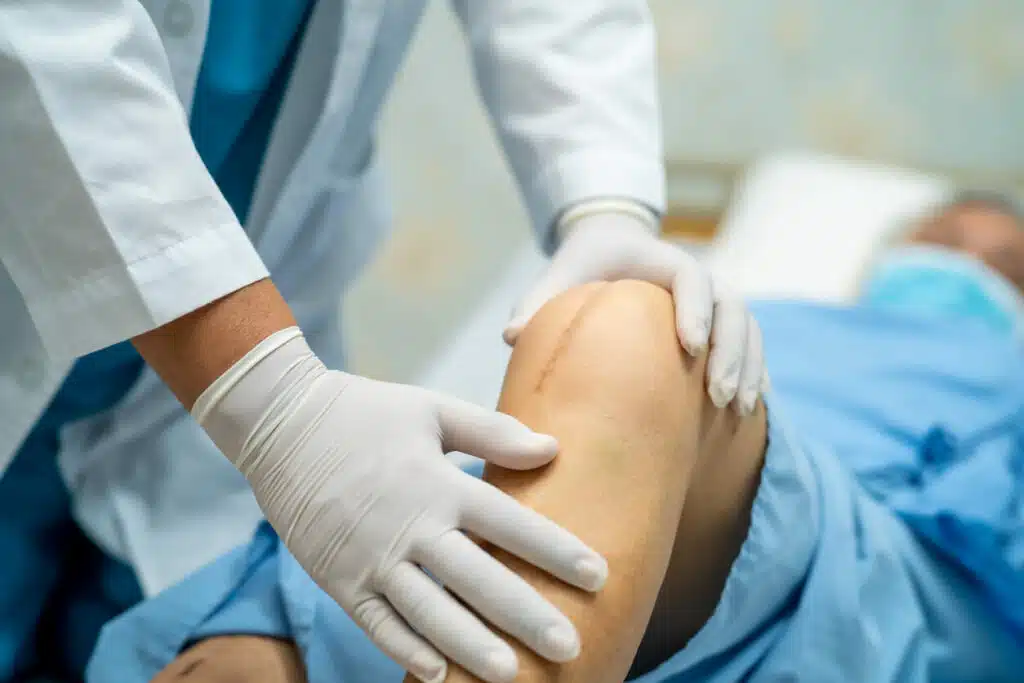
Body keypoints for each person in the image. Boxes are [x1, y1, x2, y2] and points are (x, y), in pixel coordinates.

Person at [0, 3, 770, 682]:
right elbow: (42, 42)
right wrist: (275, 404)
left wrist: (604, 201)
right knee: (624, 342)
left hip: (188, 444)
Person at [87, 194, 1024, 682]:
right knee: (253, 656)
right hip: (627, 460)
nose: (963, 259)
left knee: (630, 331)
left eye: (1004, 257)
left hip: (851, 539)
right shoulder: (768, 309)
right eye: (944, 236)